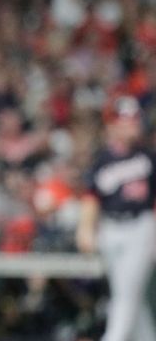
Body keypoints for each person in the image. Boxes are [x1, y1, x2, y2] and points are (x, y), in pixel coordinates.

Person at [76, 96, 156, 341]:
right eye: (126, 120)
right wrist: (86, 228)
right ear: (112, 125)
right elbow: (91, 197)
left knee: (125, 295)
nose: (132, 125)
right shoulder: (101, 160)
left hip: (141, 227)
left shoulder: (148, 157)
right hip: (110, 230)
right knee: (130, 296)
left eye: (134, 120)